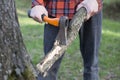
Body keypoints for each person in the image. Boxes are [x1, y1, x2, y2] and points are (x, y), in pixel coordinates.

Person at [30, 0, 102, 80]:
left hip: (90, 8)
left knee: (92, 67)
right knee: (48, 68)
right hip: (56, 12)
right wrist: (37, 4)